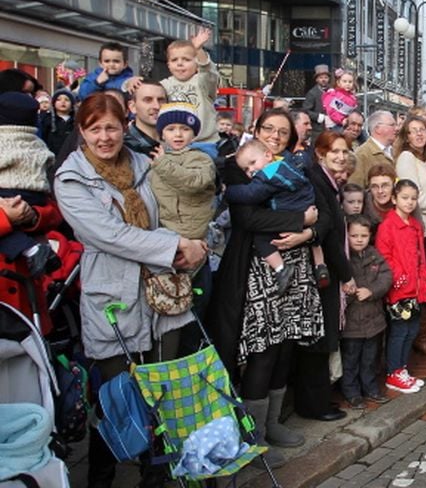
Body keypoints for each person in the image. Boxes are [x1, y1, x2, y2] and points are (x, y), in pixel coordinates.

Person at [54, 93, 208, 488]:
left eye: (111, 127)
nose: (104, 137)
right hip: (114, 297)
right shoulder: (71, 178)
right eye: (94, 129)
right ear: (82, 132)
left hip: (163, 293)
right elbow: (108, 235)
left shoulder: (144, 163)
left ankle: (155, 477)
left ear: (125, 126)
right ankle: (101, 479)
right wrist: (174, 247)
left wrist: (199, 241)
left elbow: (178, 205)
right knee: (116, 397)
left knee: (160, 390)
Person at [206, 108, 324, 462]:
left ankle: (272, 424)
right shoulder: (237, 163)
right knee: (264, 350)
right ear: (256, 129)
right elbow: (248, 216)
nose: (275, 135)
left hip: (298, 265)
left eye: (283, 131)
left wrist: (309, 231)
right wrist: (298, 219)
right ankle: (253, 435)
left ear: (291, 138)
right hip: (258, 269)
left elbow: (325, 214)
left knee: (286, 346)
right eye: (268, 128)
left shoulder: (298, 165)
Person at [298, 130, 354, 421]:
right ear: (320, 152)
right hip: (321, 269)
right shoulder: (318, 180)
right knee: (319, 335)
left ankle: (319, 400)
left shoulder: (330, 181)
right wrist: (347, 274)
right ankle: (314, 405)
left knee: (324, 333)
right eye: (334, 151)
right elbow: (329, 233)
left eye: (344, 151)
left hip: (326, 266)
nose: (340, 157)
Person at [148, 102, 217, 332]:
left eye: (184, 128)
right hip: (165, 241)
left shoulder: (201, 158)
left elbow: (195, 182)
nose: (178, 134)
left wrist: (163, 165)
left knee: (194, 310)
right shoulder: (155, 158)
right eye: (170, 129)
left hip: (193, 240)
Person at [228, 139, 323, 294]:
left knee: (261, 239)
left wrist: (229, 192)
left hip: (290, 210)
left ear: (268, 155)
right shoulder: (288, 163)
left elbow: (251, 194)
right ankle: (321, 265)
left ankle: (281, 268)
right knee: (314, 239)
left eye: (253, 163)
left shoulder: (268, 174)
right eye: (246, 168)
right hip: (306, 204)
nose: (251, 170)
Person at [375, 179, 426, 394]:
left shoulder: (415, 225)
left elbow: (421, 256)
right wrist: (400, 276)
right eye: (405, 198)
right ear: (394, 199)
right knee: (400, 331)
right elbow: (385, 256)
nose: (409, 202)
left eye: (413, 199)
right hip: (399, 289)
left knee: (411, 330)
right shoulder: (388, 226)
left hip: (416, 287)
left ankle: (402, 369)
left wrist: (423, 276)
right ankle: (394, 372)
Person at [393, 116, 426, 357]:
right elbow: (412, 193)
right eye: (413, 131)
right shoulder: (406, 158)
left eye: (422, 130)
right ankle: (422, 337)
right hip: (425, 227)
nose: (419, 134)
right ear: (406, 136)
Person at [0, 93, 61, 278]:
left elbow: (54, 213)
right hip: (33, 193)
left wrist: (34, 215)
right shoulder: (37, 143)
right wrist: (6, 217)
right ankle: (32, 249)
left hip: (20, 283)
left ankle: (31, 250)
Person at [341, 214, 392, 408]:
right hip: (352, 323)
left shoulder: (373, 254)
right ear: (347, 236)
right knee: (351, 359)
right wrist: (348, 292)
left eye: (363, 235)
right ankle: (351, 392)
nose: (359, 239)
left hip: (374, 321)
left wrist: (372, 291)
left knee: (371, 358)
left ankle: (370, 388)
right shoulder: (344, 257)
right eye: (355, 236)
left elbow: (386, 276)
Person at [151, 28, 220, 145]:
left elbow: (208, 71)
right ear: (168, 65)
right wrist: (132, 82)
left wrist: (198, 49)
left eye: (186, 59)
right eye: (174, 60)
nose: (179, 63)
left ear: (196, 62)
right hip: (172, 144)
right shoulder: (164, 84)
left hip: (203, 143)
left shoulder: (202, 81)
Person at [349, 110, 396, 187]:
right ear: (378, 129)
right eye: (392, 125)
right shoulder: (361, 155)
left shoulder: (394, 151)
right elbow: (355, 188)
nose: (396, 128)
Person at [124, 80, 168, 156]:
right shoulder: (125, 147)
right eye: (148, 100)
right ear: (132, 106)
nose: (157, 106)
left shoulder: (177, 141)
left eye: (161, 100)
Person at [362, 163, 396, 239]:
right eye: (374, 186)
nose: (380, 191)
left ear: (394, 185)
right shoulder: (362, 206)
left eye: (385, 185)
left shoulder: (403, 203)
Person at [40, 89, 76, 156]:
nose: (63, 102)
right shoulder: (47, 119)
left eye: (67, 100)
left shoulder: (76, 121)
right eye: (59, 99)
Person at [303, 64, 331, 134]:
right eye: (321, 78)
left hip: (331, 128)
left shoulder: (332, 91)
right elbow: (306, 111)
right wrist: (318, 117)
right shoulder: (312, 93)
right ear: (317, 79)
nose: (324, 80)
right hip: (317, 129)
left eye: (326, 77)